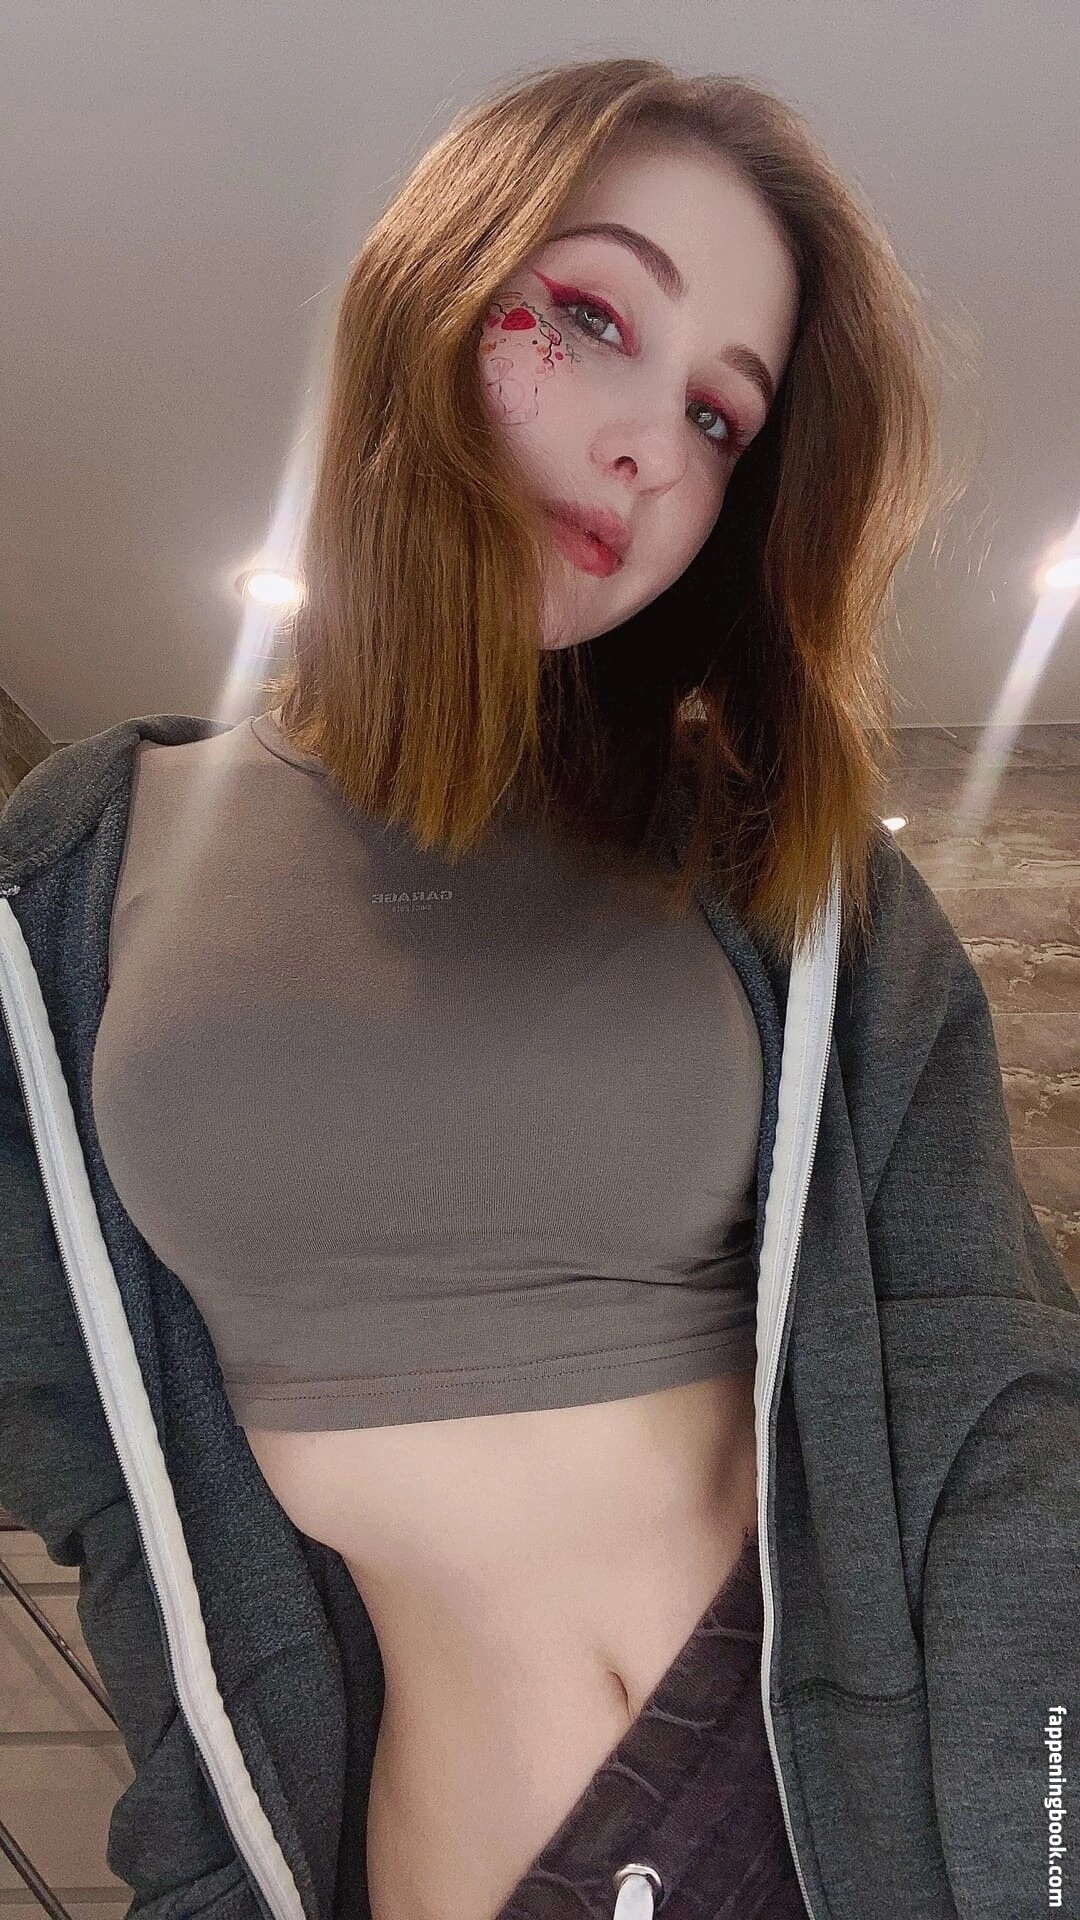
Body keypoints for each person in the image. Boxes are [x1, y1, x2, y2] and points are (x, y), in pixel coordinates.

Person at [1, 53, 1077, 1920]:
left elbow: (995, 1412)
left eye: (721, 417)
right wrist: (200, 1871)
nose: (655, 446)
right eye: (591, 316)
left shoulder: (787, 876)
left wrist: (1039, 1859)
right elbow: (104, 1476)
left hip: (834, 1836)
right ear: (429, 287)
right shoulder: (81, 872)